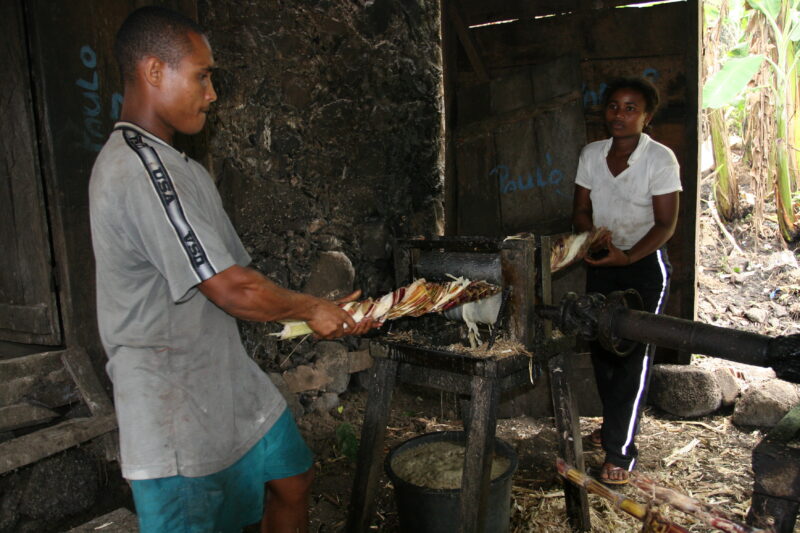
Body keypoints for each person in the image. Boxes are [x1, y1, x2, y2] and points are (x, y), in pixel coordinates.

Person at [89, 7, 376, 532]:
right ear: (155, 72)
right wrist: (313, 307)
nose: (212, 93)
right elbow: (232, 289)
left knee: (293, 479)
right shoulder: (139, 169)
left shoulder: (184, 170)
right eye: (202, 76)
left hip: (224, 379)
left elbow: (240, 277)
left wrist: (313, 309)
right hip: (175, 401)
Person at [571, 77, 682, 485]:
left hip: (642, 267)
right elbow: (581, 209)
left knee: (633, 357)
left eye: (631, 108)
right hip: (602, 262)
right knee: (602, 350)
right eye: (614, 106)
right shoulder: (592, 153)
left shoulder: (660, 159)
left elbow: (666, 224)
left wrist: (629, 255)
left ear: (646, 116)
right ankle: (613, 425)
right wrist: (590, 238)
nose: (620, 114)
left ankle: (620, 452)